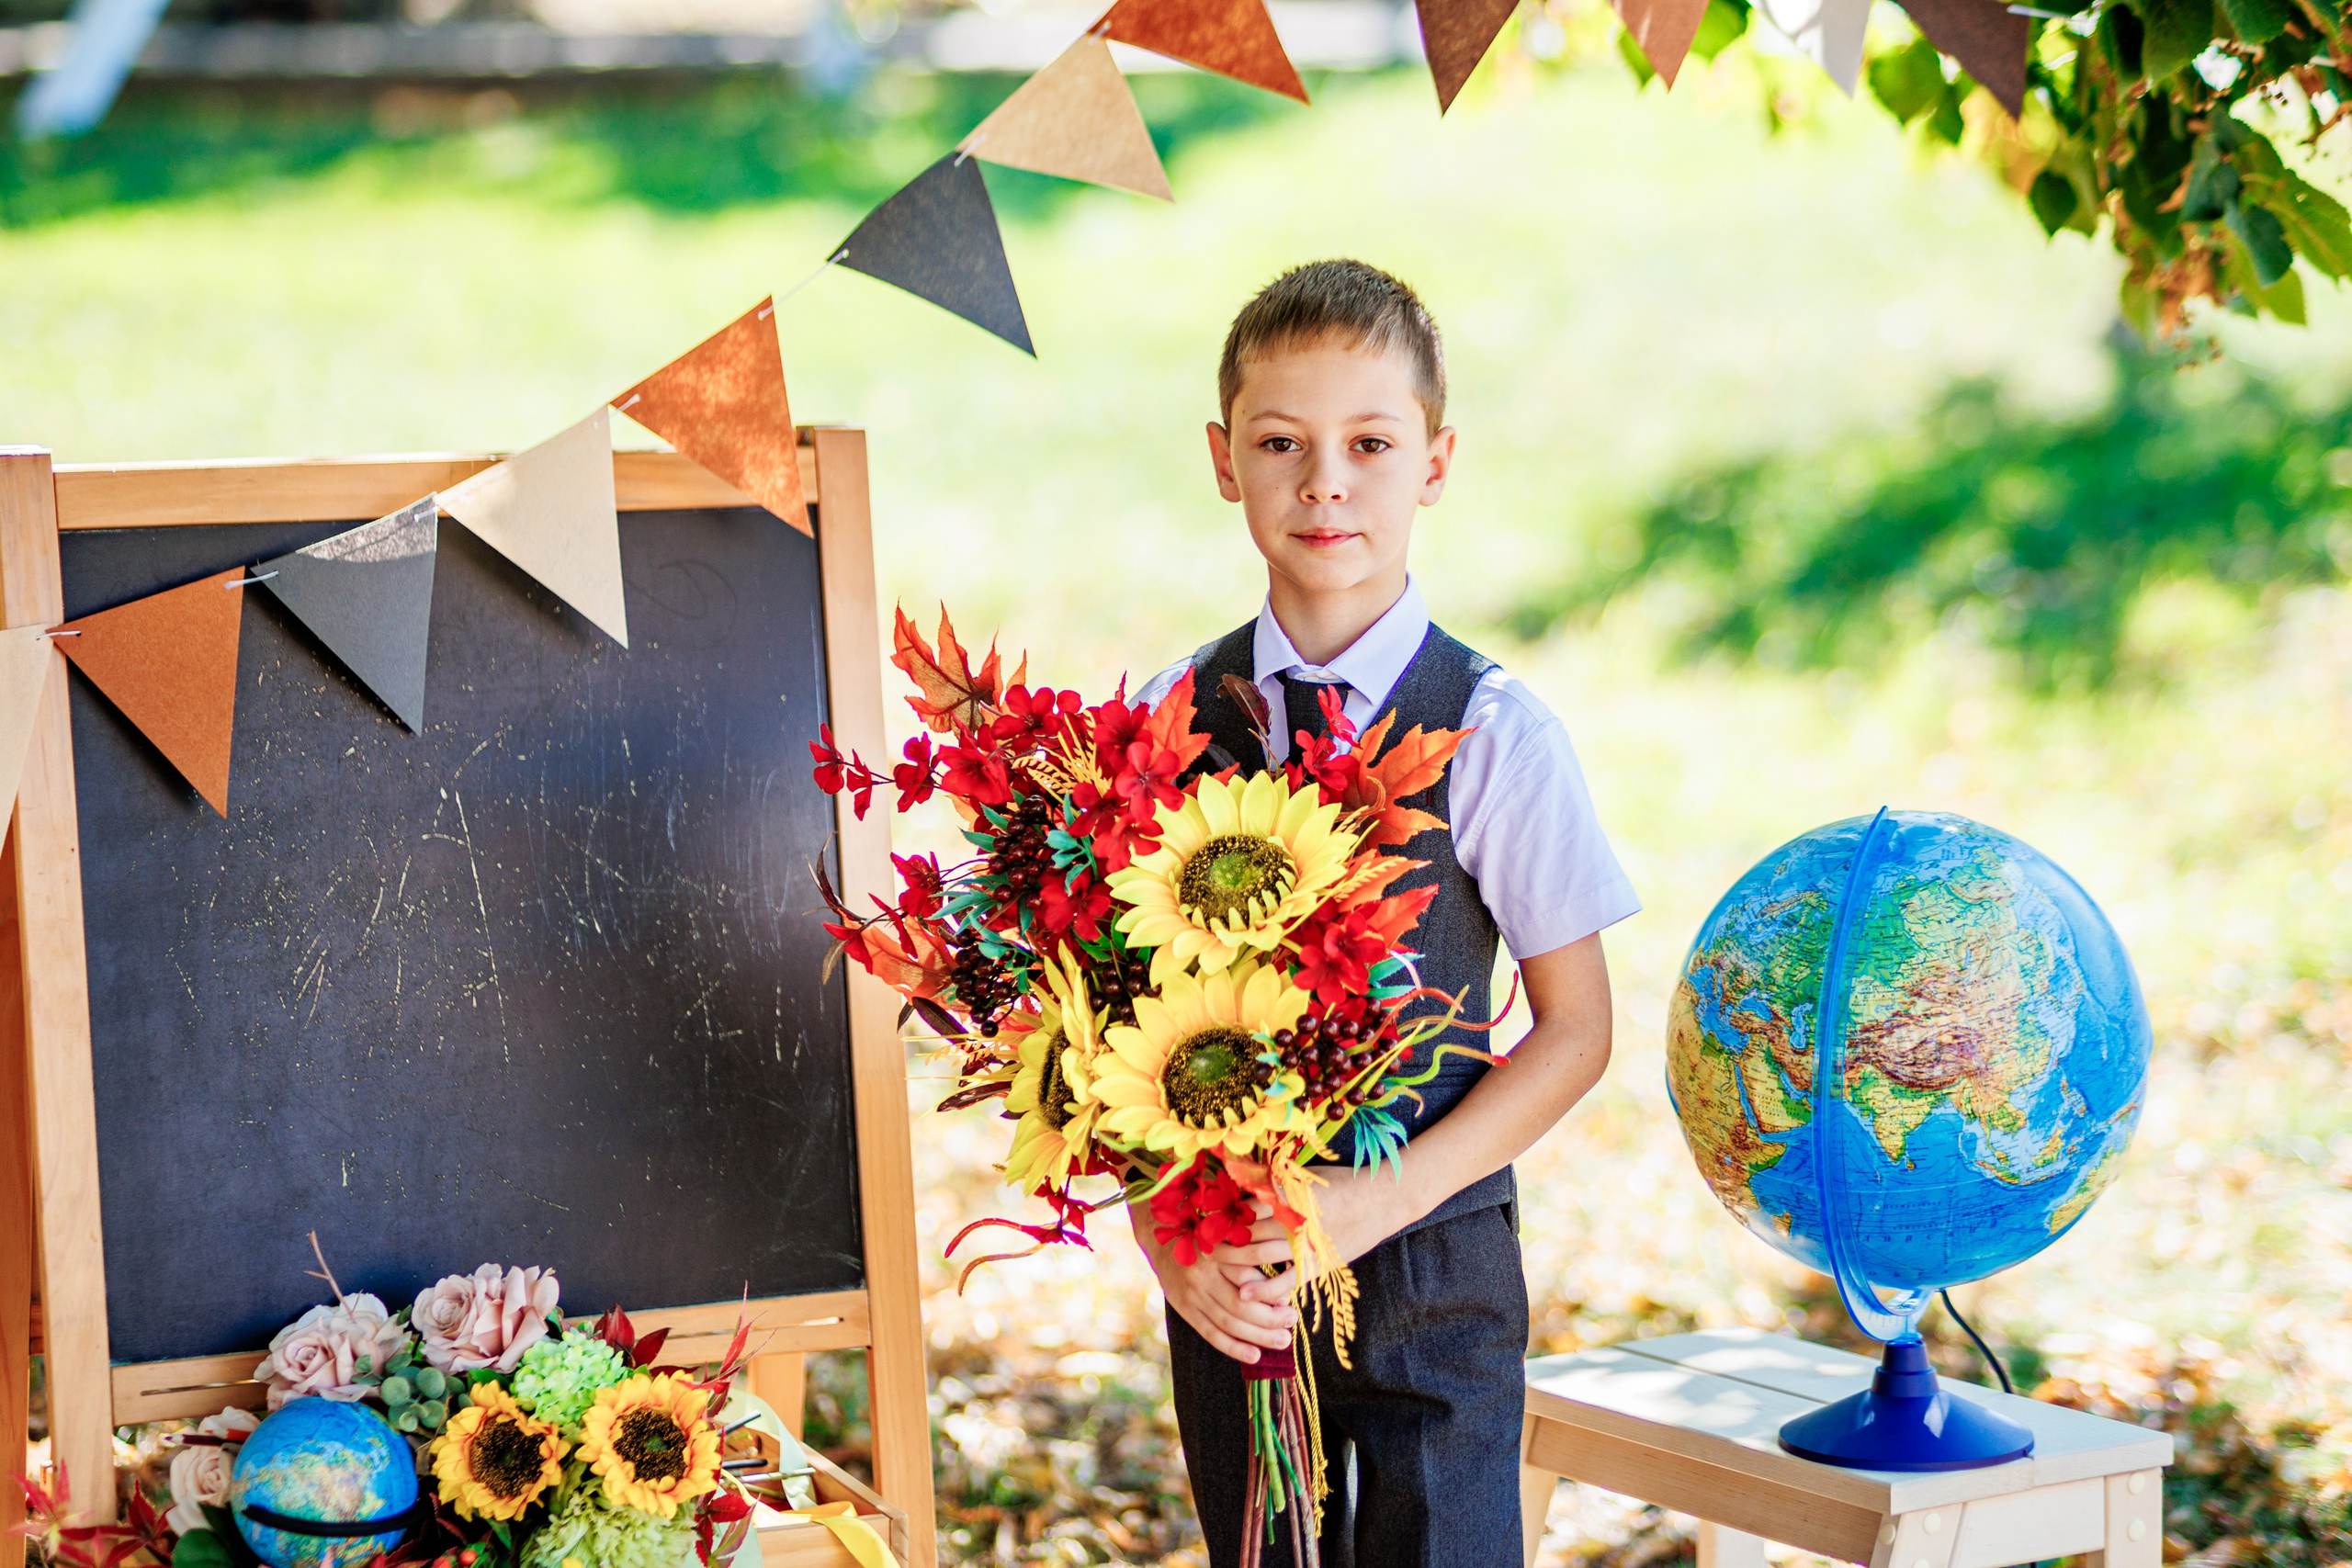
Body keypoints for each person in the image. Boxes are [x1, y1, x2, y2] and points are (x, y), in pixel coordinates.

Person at [1128, 258, 1640, 1567]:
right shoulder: (1165, 726)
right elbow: (1107, 1037)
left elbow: (1578, 1032)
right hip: (1235, 1281)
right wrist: (1163, 1236)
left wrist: (1373, 1203)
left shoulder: (1495, 733)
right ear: (1221, 457)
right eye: (1281, 443)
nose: (1325, 483)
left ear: (1437, 460)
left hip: (1435, 1278)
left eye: (1369, 442)